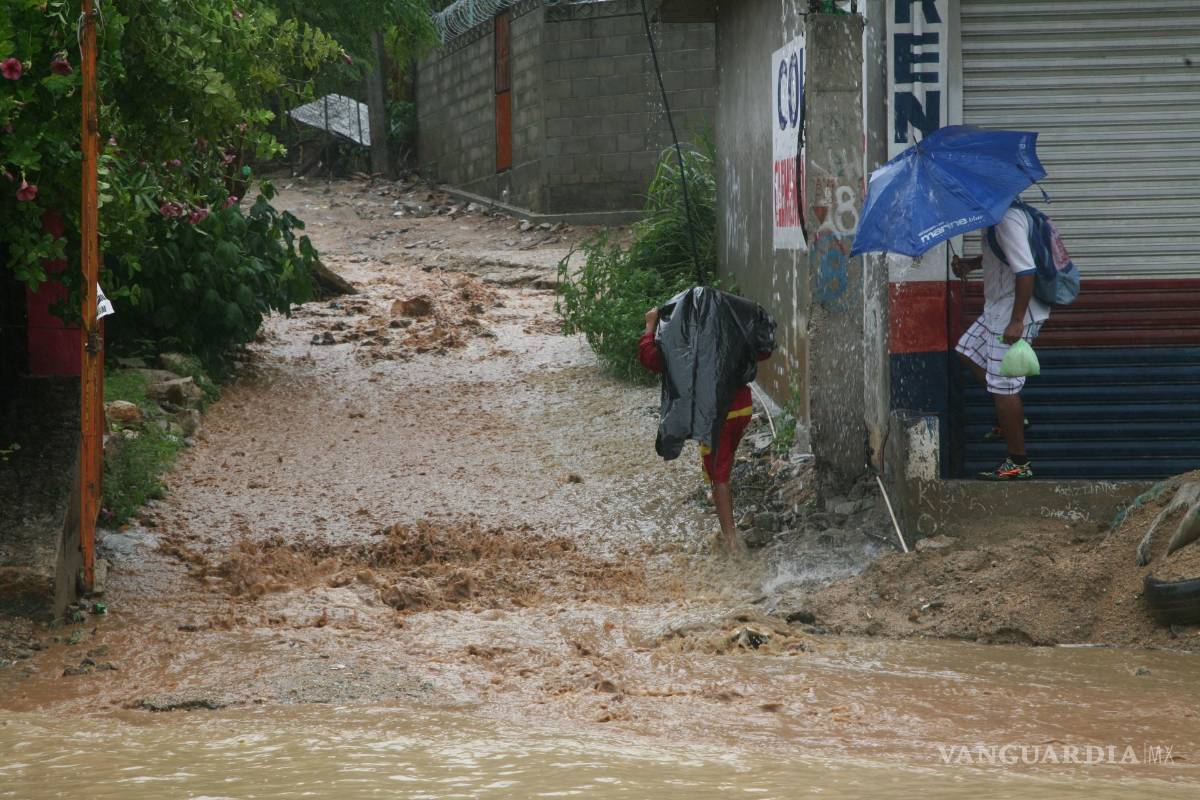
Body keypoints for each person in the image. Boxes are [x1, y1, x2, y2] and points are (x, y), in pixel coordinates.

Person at [639, 306, 767, 554]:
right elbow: (761, 351)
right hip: (742, 410)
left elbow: (651, 358)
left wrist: (650, 325)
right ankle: (720, 499)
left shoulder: (686, 342)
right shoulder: (730, 331)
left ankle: (731, 541)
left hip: (714, 419)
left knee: (719, 476)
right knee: (721, 463)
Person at [952, 202, 1051, 480]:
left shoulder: (1006, 219)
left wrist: (1017, 321)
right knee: (967, 350)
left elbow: (1026, 271)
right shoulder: (995, 218)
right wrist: (971, 264)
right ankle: (1010, 417)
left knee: (1004, 388)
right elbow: (1003, 256)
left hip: (1013, 312)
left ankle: (1019, 463)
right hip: (997, 309)